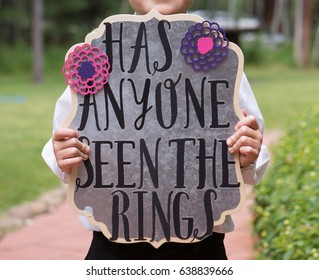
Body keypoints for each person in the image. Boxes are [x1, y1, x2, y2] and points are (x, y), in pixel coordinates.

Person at [42, 0, 270, 260]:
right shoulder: (98, 57)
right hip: (114, 249)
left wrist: (248, 156)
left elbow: (251, 141)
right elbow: (69, 130)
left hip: (200, 250)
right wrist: (62, 154)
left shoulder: (220, 61)